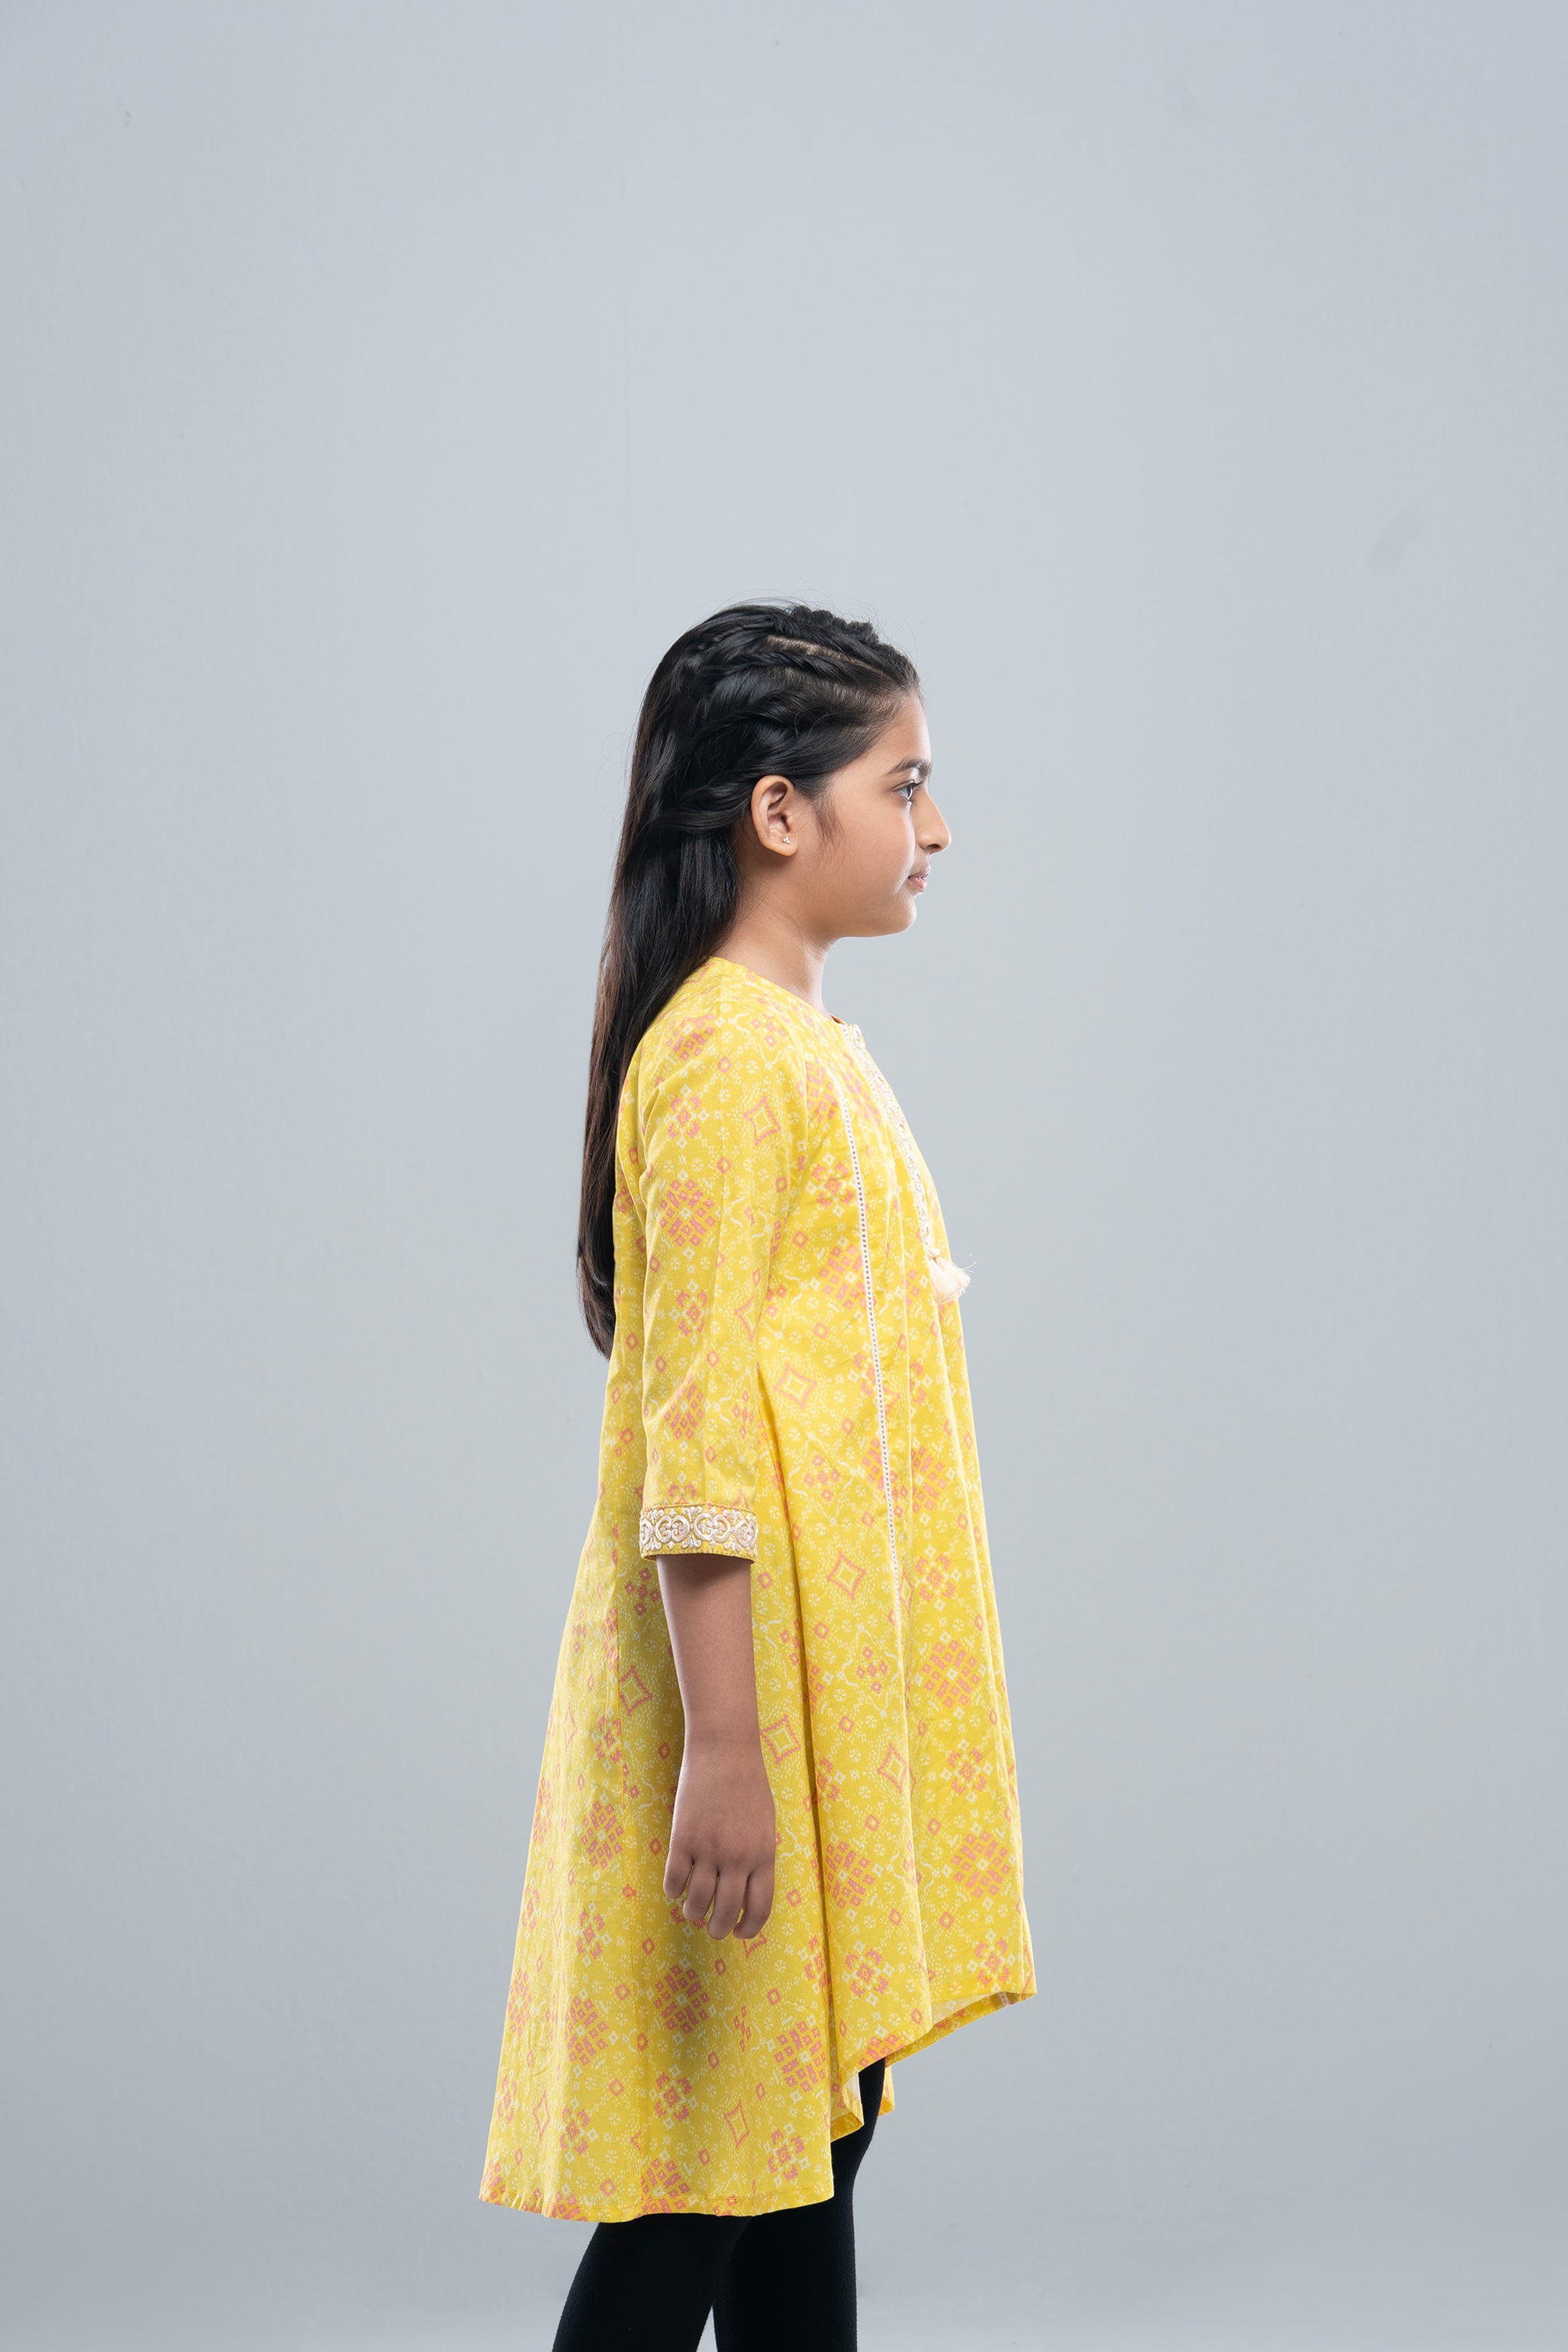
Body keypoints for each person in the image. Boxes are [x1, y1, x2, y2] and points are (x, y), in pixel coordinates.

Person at [480, 603, 1034, 2350]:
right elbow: (698, 1432)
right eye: (906, 785)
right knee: (710, 2171)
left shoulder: (795, 1043)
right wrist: (724, 1752)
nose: (936, 828)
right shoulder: (722, 1059)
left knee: (812, 2135)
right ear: (780, 814)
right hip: (748, 1712)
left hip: (816, 1706)